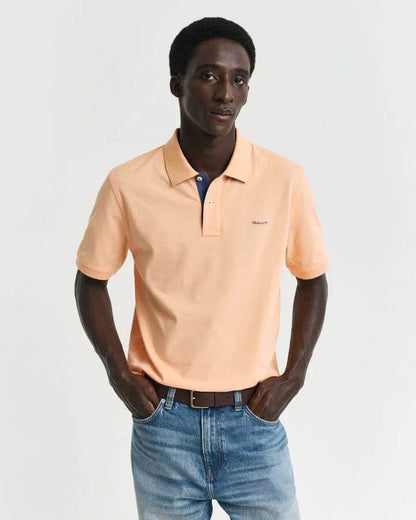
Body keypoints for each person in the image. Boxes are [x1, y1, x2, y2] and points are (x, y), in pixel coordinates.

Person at [74, 16, 329, 520]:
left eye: (239, 79)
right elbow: (91, 281)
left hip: (254, 421)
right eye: (209, 75)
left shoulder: (284, 180)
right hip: (163, 426)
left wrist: (294, 376)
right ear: (177, 84)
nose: (225, 93)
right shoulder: (128, 184)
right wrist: (119, 375)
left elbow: (312, 278)